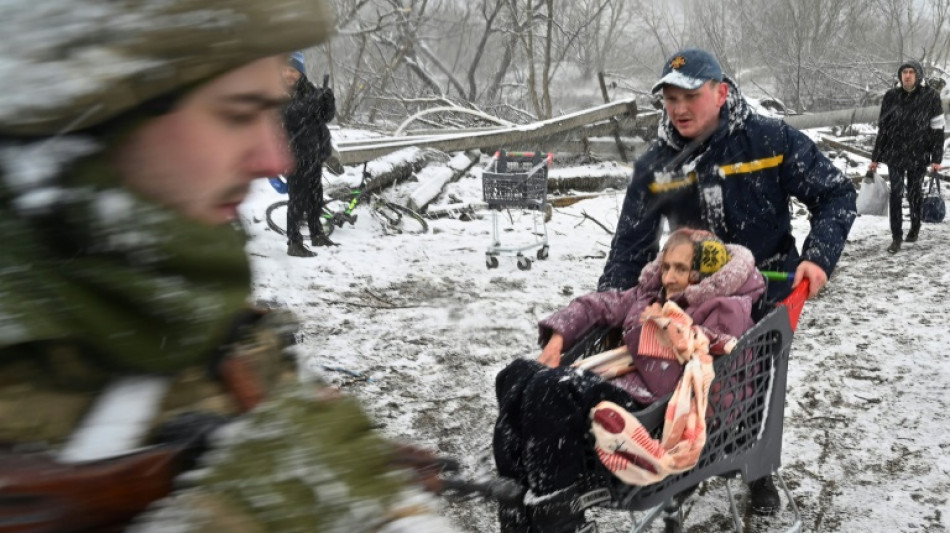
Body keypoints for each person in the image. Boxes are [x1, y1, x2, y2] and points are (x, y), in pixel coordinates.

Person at [0, 2, 456, 532]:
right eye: (238, 113)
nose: (272, 158)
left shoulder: (202, 310)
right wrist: (232, 516)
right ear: (91, 121)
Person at [597, 48, 857, 514]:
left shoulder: (769, 140)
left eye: (690, 95)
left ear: (720, 93)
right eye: (669, 98)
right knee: (689, 382)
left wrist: (818, 257)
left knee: (757, 383)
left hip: (769, 293)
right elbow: (628, 250)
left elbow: (836, 193)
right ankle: (688, 456)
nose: (678, 109)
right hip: (691, 300)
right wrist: (610, 310)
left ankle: (758, 470)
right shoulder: (657, 167)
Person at [493, 229, 765, 533]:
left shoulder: (726, 309)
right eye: (666, 267)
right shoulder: (649, 296)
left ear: (704, 275)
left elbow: (672, 382)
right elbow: (595, 305)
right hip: (621, 383)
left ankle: (562, 520)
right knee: (514, 376)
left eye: (681, 269)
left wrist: (648, 326)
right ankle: (516, 508)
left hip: (654, 411)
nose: (669, 278)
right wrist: (557, 341)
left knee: (549, 391)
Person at [869, 60, 945, 253]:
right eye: (904, 72)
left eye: (911, 72)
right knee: (896, 193)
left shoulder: (931, 96)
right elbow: (883, 129)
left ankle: (915, 226)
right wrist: (875, 157)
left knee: (914, 192)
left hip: (919, 153)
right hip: (895, 153)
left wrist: (937, 158)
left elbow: (937, 129)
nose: (907, 75)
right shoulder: (891, 96)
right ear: (900, 75)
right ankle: (896, 237)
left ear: (918, 75)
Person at [282, 50, 338, 257]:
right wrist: (312, 103)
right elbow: (289, 115)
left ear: (301, 72)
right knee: (297, 200)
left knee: (316, 197)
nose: (289, 74)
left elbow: (325, 117)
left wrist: (327, 101)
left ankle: (317, 233)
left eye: (293, 70)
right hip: (293, 154)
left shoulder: (310, 90)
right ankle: (294, 242)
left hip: (314, 153)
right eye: (285, 70)